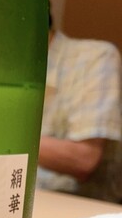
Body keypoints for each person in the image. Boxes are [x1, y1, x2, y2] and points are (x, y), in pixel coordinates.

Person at [37, 15, 122, 202]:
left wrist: (1, 137)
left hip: (78, 205)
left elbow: (84, 159)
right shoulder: (0, 67)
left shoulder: (94, 57)